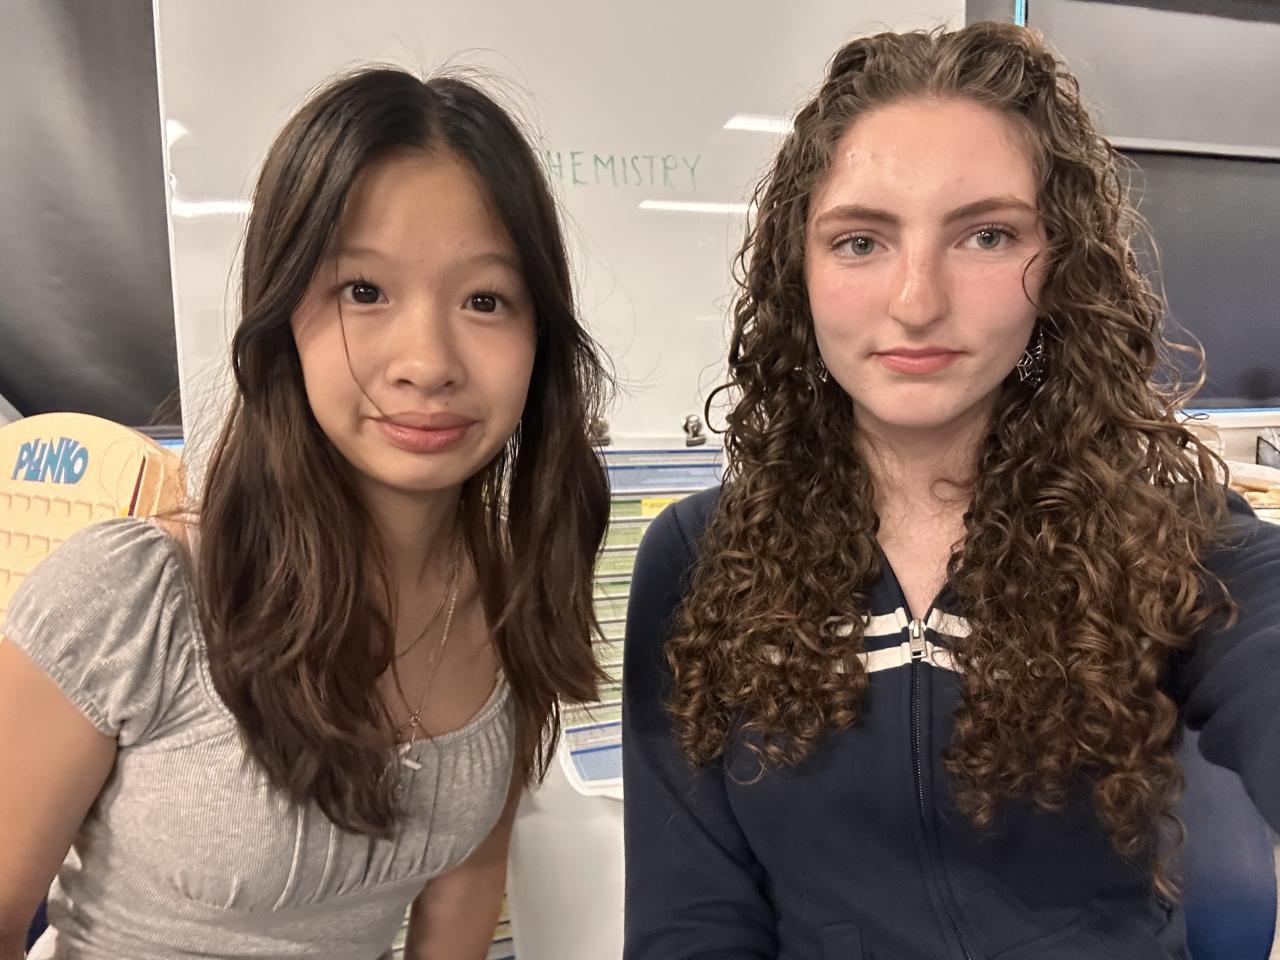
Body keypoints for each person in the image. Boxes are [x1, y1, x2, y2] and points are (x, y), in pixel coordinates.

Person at [622, 22, 1280, 960]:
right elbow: (692, 922)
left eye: (986, 235)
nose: (917, 301)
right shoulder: (699, 560)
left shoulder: (1172, 537)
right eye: (860, 241)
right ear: (799, 273)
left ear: (1059, 267)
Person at [0, 67, 610, 959]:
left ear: (538, 337)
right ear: (283, 314)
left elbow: (467, 887)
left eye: (485, 300)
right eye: (363, 291)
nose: (427, 362)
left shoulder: (513, 603)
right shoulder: (132, 596)